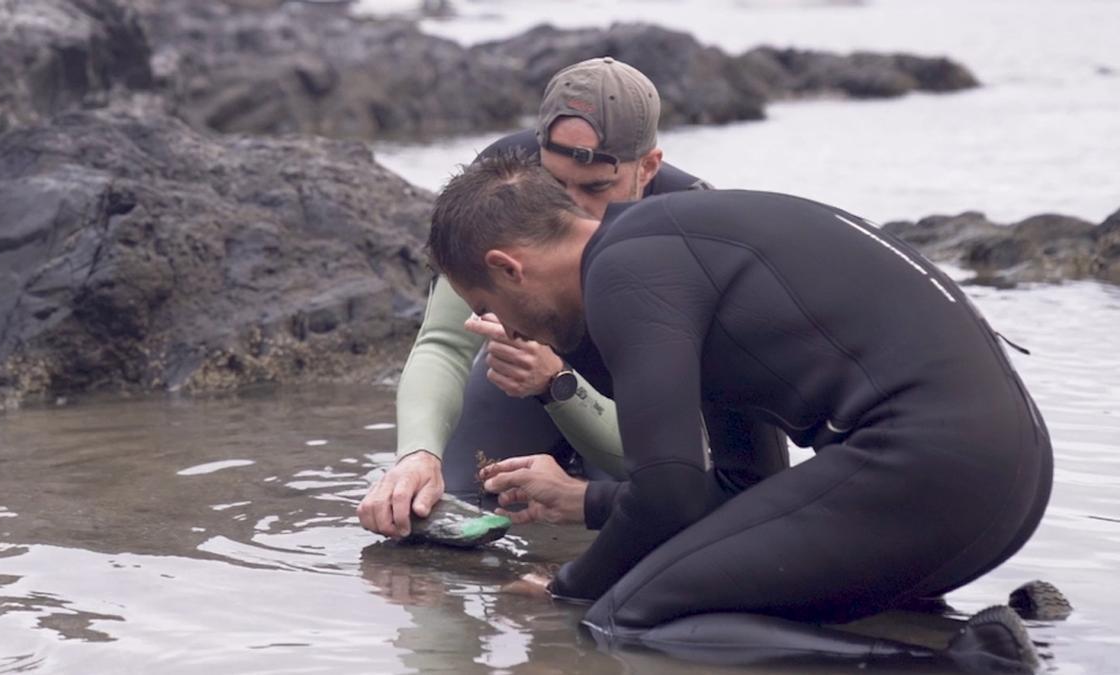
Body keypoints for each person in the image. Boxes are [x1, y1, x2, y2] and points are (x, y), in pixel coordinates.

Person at [424, 151, 1053, 658]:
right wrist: (591, 502)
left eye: (485, 308)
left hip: (928, 468)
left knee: (623, 615)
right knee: (698, 590)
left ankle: (955, 664)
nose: (499, 327)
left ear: (508, 269)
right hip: (1002, 480)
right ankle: (993, 630)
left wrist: (566, 589)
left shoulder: (623, 272)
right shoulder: (673, 248)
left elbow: (667, 494)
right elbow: (740, 488)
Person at [358, 57, 787, 538]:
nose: (567, 209)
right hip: (520, 385)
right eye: (553, 183)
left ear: (647, 168)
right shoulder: (504, 181)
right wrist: (417, 454)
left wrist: (558, 384)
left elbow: (679, 473)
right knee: (438, 513)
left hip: (626, 416)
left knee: (644, 524)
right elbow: (442, 342)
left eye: (596, 187)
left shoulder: (689, 222)